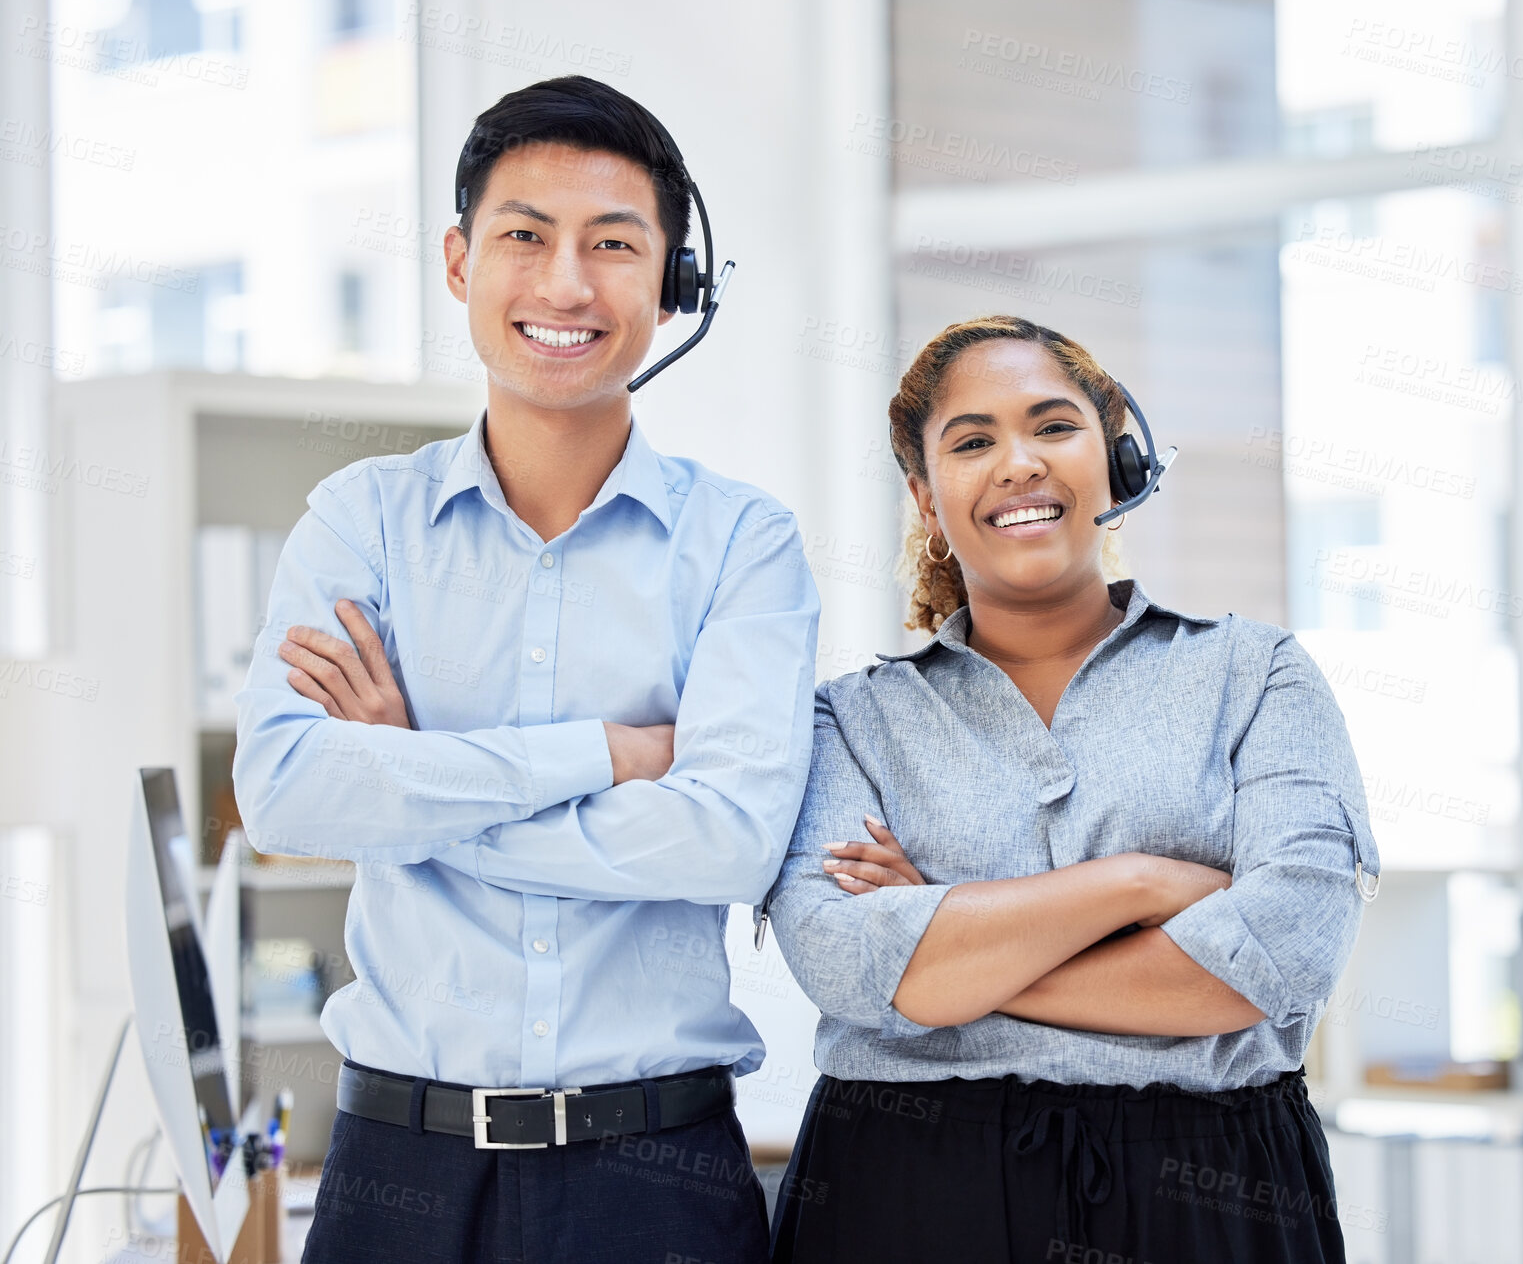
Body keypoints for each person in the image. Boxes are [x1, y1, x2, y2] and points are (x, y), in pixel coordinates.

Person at [231, 75, 819, 1263]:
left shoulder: (744, 546)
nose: (564, 284)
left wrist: (411, 785)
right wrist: (602, 753)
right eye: (523, 237)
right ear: (459, 263)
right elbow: (287, 794)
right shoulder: (363, 524)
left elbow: (729, 842)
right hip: (398, 1171)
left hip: (656, 1177)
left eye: (613, 244)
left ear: (671, 282)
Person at [764, 314, 1379, 1263]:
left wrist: (942, 950)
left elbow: (1284, 949)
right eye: (973, 441)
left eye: (1053, 426)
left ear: (1118, 464)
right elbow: (847, 965)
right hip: (910, 1189)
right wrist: (1140, 884)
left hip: (1210, 1189)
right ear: (928, 500)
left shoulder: (1258, 675)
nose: (1018, 462)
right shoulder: (846, 718)